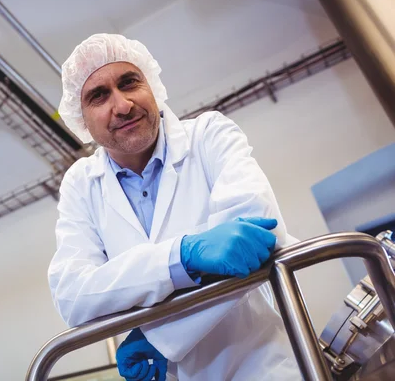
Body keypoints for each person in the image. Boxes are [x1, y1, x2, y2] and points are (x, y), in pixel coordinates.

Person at [48, 33, 302, 380]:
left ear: (152, 87)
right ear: (82, 120)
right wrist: (181, 257)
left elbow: (256, 238)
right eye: (99, 96)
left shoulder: (209, 135)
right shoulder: (81, 183)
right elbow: (74, 294)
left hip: (259, 365)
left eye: (129, 83)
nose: (122, 105)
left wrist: (161, 337)